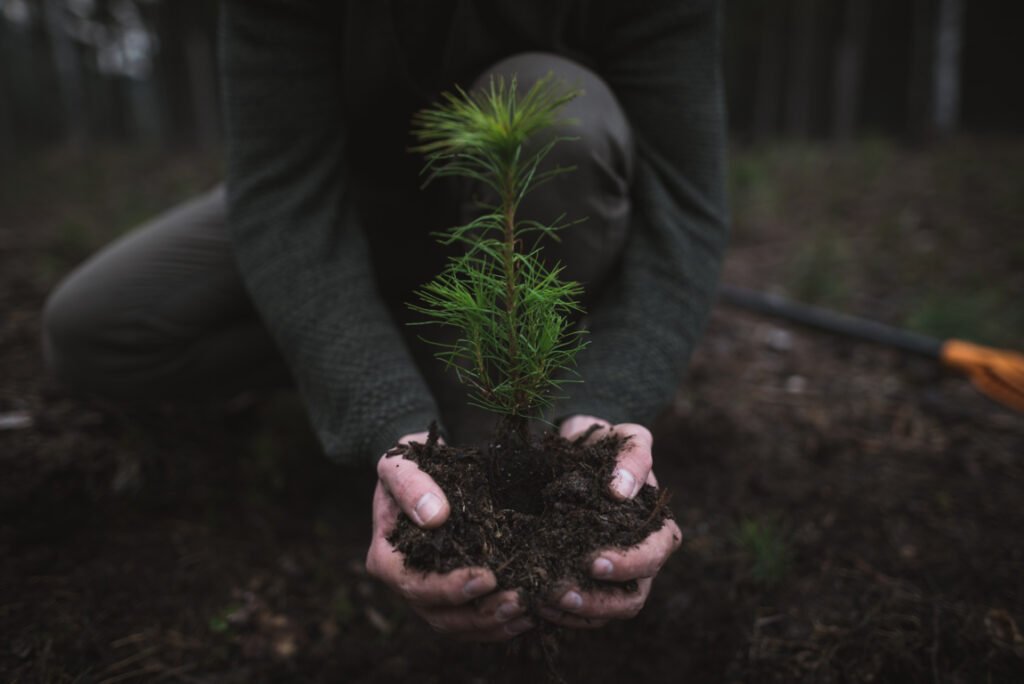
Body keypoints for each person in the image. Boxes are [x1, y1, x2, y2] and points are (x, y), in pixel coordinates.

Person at [42, 1, 727, 641]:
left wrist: (605, 402)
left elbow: (684, 213)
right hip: (352, 201)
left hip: (548, 214)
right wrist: (384, 409)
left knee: (549, 118)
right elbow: (281, 192)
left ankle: (516, 411)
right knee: (98, 328)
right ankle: (401, 359)